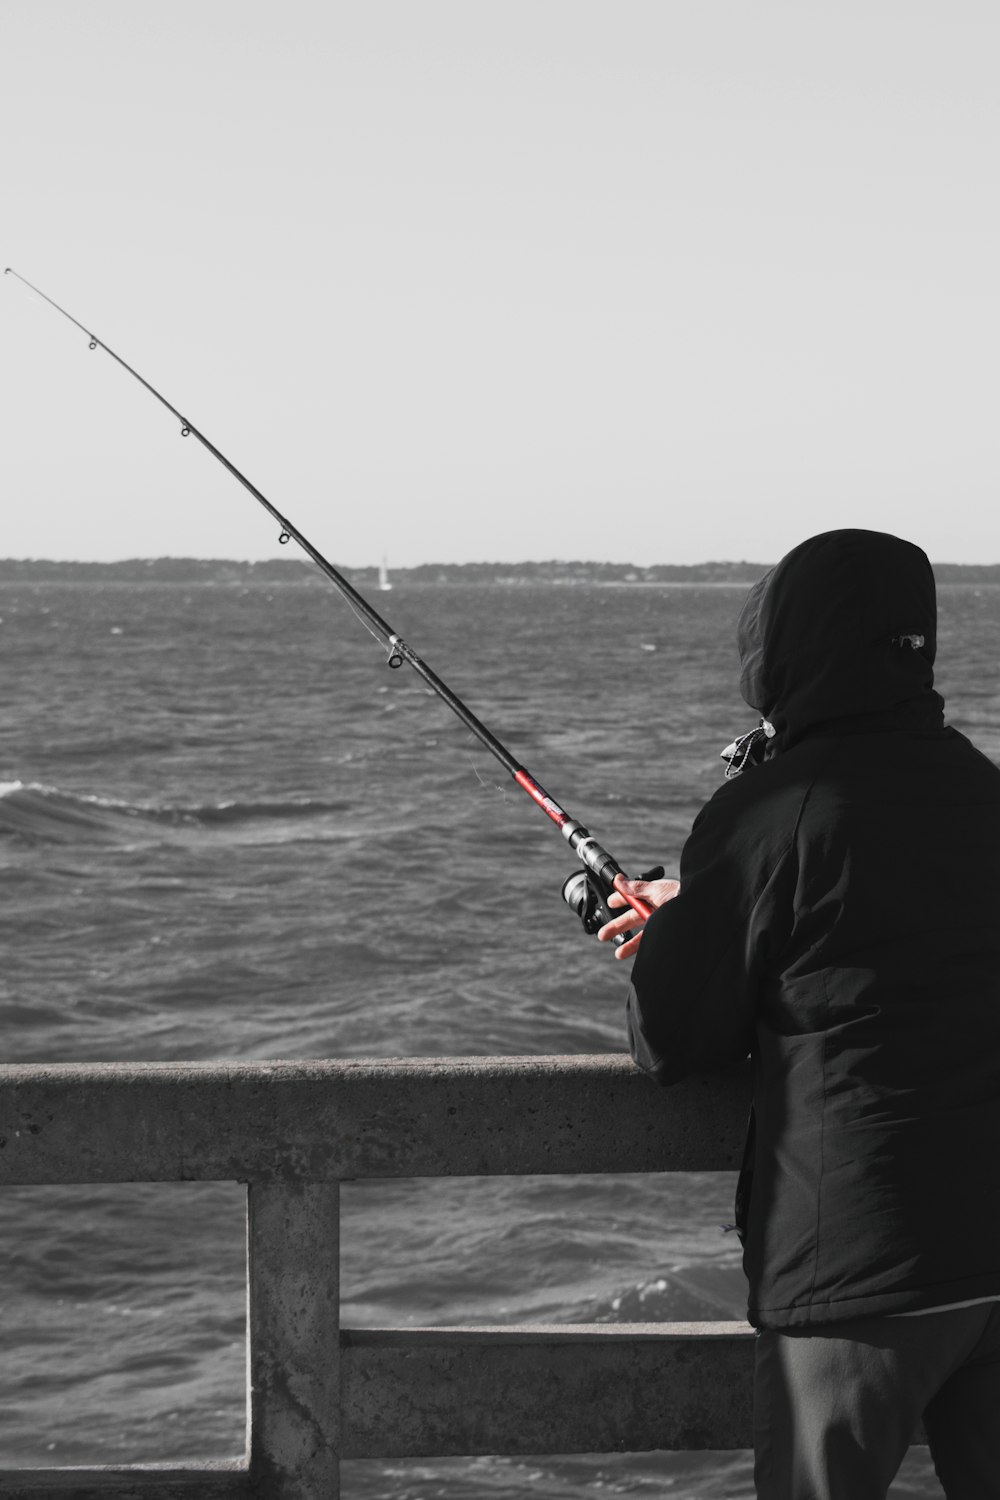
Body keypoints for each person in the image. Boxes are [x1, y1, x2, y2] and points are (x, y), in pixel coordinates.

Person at [598, 529, 1000, 1500]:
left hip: (856, 1268)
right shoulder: (984, 792)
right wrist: (702, 913)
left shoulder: (766, 817)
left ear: (794, 648)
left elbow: (675, 1039)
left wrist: (670, 936)